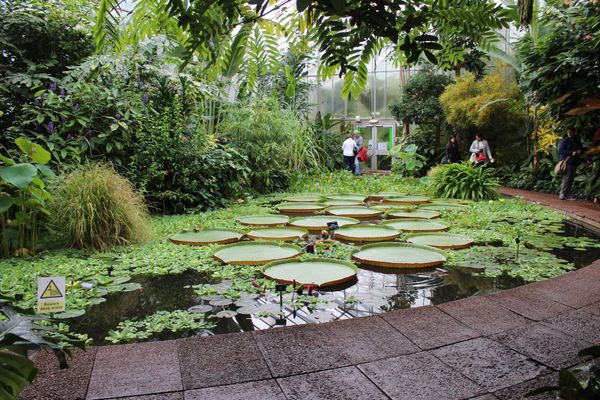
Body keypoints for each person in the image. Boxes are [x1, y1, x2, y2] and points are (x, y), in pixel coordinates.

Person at [558, 127, 583, 200]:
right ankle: (562, 194)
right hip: (567, 162)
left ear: (574, 132)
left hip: (574, 161)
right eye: (568, 132)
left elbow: (581, 148)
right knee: (567, 178)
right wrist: (571, 152)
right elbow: (560, 151)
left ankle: (568, 194)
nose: (569, 133)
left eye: (571, 132)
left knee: (571, 178)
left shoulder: (577, 140)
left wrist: (579, 151)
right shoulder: (565, 141)